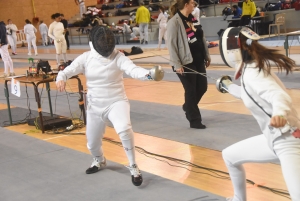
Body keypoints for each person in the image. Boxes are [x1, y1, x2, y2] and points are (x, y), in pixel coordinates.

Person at [55, 25, 162, 186]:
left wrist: (148, 75)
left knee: (124, 129)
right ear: (95, 42)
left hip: (116, 101)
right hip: (94, 106)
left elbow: (133, 70)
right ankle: (99, 160)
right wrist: (60, 77)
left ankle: (133, 166)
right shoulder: (86, 57)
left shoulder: (118, 57)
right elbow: (68, 70)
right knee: (92, 143)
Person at [219, 26, 300, 201]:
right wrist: (227, 86)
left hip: (289, 140)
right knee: (230, 156)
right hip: (273, 138)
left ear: (231, 50)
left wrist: (279, 114)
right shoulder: (250, 70)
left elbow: (279, 96)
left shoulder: (253, 73)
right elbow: (249, 94)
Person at [167, 0, 211, 129]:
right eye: (192, 3)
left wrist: (207, 55)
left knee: (202, 87)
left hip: (198, 59)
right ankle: (194, 120)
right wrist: (177, 64)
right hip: (184, 62)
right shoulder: (174, 22)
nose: (195, 5)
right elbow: (171, 45)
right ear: (186, 5)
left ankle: (188, 106)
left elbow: (201, 38)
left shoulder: (194, 19)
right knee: (191, 90)